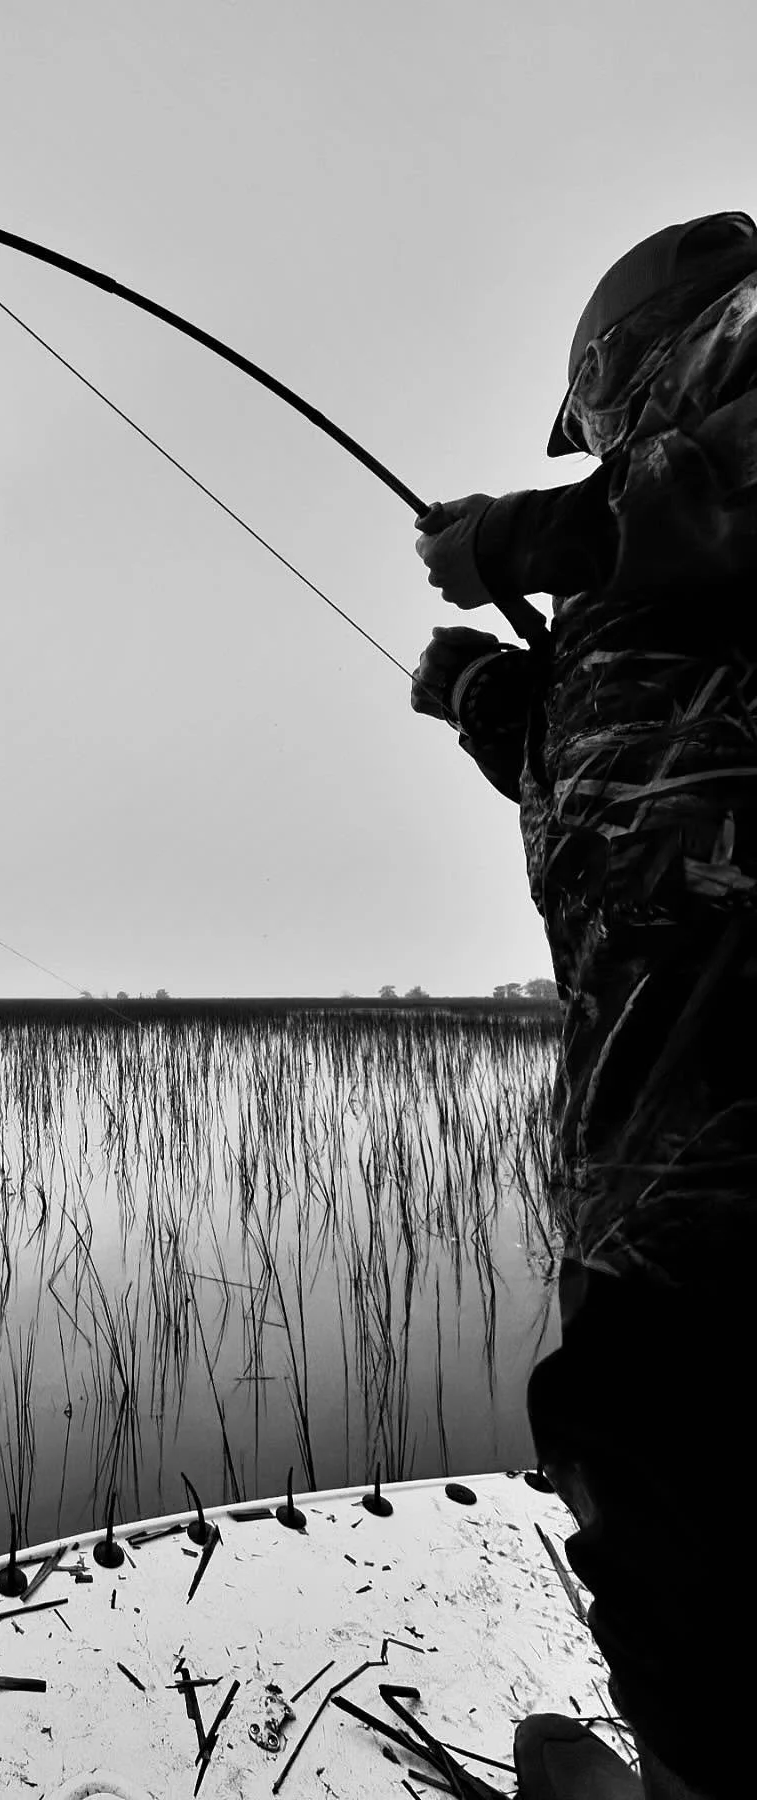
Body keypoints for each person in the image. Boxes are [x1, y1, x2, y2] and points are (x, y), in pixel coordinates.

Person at [410, 211, 757, 1800]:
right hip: (648, 1201)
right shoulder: (657, 598)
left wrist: (515, 543)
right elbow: (627, 818)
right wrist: (492, 698)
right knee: (676, 1546)